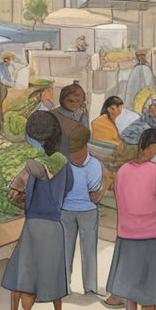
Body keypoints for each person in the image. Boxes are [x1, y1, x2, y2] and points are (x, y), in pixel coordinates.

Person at [0, 112, 76, 310]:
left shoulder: (31, 165)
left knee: (19, 274)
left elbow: (13, 194)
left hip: (33, 225)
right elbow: (68, 187)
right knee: (53, 275)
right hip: (54, 225)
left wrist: (24, 201)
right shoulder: (64, 164)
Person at [107, 127, 156, 310]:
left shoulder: (123, 170)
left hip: (126, 231)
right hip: (149, 233)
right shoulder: (155, 171)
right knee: (149, 281)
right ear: (151, 147)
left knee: (131, 277)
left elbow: (120, 197)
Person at [61, 127, 104, 297]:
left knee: (89, 249)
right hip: (66, 211)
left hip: (88, 212)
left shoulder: (94, 165)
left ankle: (90, 287)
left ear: (86, 148)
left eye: (78, 152)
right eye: (72, 152)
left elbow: (94, 197)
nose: (75, 156)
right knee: (65, 249)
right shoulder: (64, 164)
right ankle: (64, 286)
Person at [53, 83, 90, 155]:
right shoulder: (53, 114)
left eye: (78, 101)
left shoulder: (81, 115)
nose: (74, 104)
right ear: (62, 100)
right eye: (70, 101)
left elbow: (85, 136)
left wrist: (84, 116)